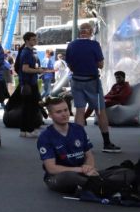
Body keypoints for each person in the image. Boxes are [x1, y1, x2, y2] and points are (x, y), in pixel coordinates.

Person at [36, 97, 135, 194]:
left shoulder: (78, 129)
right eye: (58, 112)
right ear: (50, 115)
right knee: (71, 177)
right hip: (59, 177)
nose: (64, 114)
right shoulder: (45, 137)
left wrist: (89, 168)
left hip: (84, 173)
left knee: (127, 172)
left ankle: (99, 186)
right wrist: (80, 170)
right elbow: (51, 168)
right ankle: (103, 186)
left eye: (66, 110)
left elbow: (89, 155)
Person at [65, 22, 121, 153]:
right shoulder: (94, 45)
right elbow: (100, 65)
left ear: (80, 32)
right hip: (92, 82)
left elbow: (69, 65)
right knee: (100, 111)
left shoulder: (71, 45)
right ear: (90, 32)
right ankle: (107, 143)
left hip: (76, 80)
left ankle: (78, 143)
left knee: (79, 111)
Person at [16, 32, 52, 139]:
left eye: (35, 39)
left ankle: (24, 130)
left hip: (28, 83)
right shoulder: (26, 52)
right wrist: (38, 70)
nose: (35, 41)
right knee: (31, 107)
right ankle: (29, 130)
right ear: (27, 41)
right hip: (29, 83)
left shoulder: (27, 51)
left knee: (27, 107)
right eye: (33, 39)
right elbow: (25, 69)